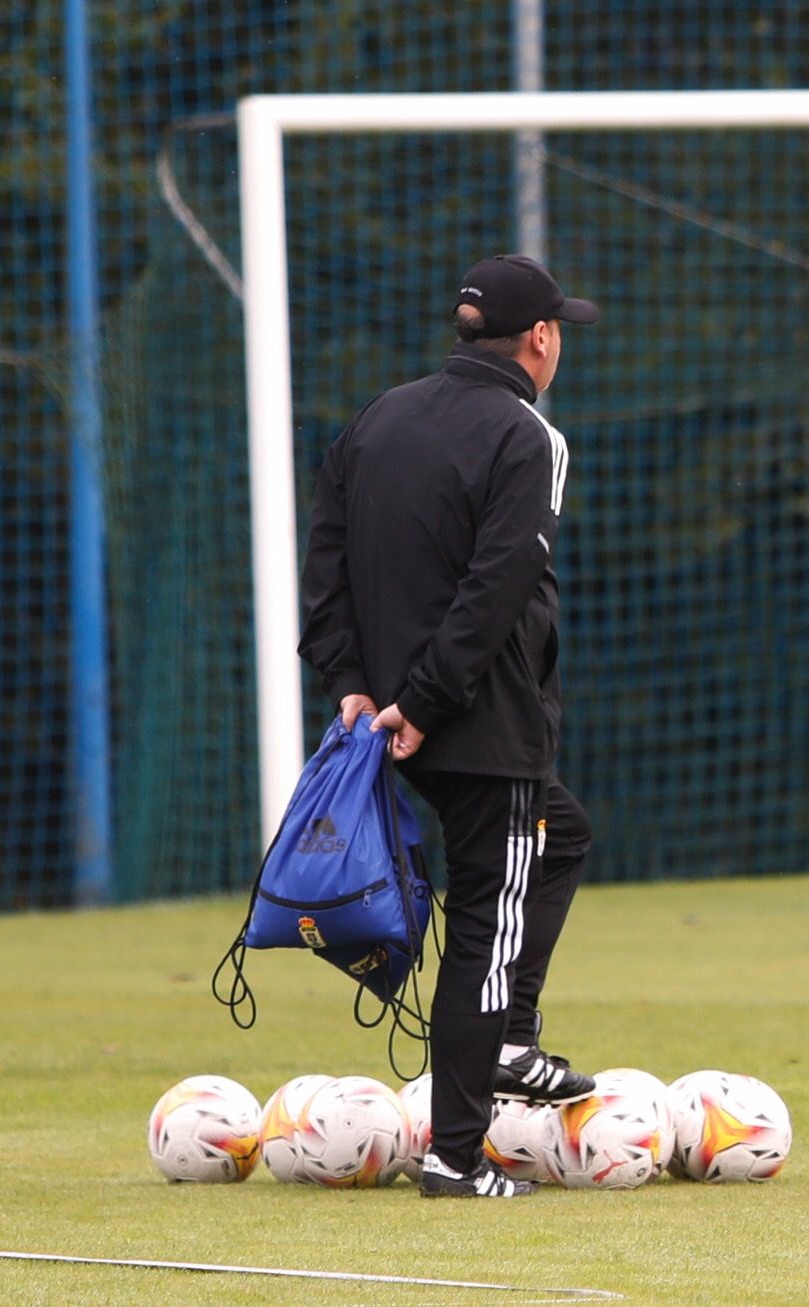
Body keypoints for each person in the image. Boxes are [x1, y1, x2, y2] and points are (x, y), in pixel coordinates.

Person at [299, 254, 602, 1198]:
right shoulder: (529, 435)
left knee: (563, 838)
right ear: (540, 339)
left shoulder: (382, 414)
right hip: (477, 721)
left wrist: (352, 681)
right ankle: (457, 1157)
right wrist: (425, 704)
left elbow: (326, 557)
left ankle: (510, 1036)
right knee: (487, 925)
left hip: (391, 715)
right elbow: (498, 585)